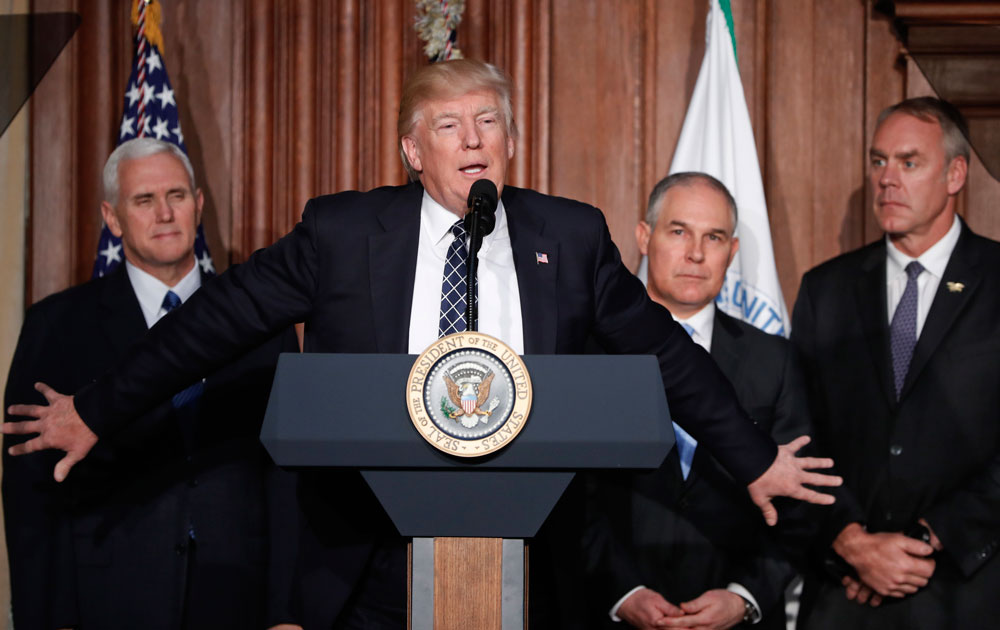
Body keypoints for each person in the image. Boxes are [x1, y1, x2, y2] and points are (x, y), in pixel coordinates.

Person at [4, 59, 838, 628]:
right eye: (448, 125)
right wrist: (98, 410)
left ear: (510, 141)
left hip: (529, 562)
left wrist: (753, 458)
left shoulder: (570, 237)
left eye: (487, 121)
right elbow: (212, 322)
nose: (472, 139)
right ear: (413, 149)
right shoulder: (342, 234)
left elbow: (664, 352)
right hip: (367, 558)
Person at [2, 138, 301, 630]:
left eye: (176, 196)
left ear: (198, 205)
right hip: (107, 599)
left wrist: (287, 613)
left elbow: (288, 476)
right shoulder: (55, 326)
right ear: (113, 218)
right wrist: (47, 617)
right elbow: (31, 490)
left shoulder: (264, 325)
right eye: (144, 200)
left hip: (237, 596)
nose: (164, 213)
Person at [792, 96, 1000, 629]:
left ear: (955, 174)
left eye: (909, 162)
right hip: (844, 592)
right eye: (879, 161)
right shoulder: (825, 290)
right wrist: (851, 542)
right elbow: (798, 433)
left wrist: (928, 539)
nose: (887, 179)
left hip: (968, 590)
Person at [587, 173, 810, 630]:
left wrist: (744, 598)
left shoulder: (776, 360)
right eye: (678, 231)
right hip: (609, 612)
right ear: (644, 237)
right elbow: (571, 496)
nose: (695, 253)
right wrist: (622, 592)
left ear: (732, 251)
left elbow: (800, 497)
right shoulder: (589, 352)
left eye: (714, 237)